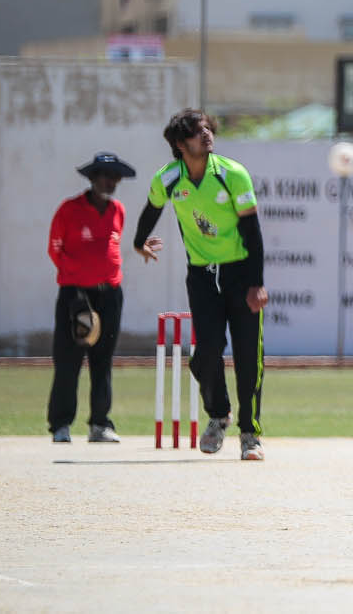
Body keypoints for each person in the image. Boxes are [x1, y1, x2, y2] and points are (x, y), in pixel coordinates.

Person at [132, 109, 269, 461]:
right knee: (205, 353)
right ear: (180, 143)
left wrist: (256, 283)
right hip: (202, 276)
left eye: (208, 128)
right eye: (196, 131)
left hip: (240, 273)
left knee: (247, 357)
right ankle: (219, 414)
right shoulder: (168, 178)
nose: (206, 134)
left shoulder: (231, 174)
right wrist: (138, 242)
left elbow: (252, 232)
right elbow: (151, 209)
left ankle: (250, 434)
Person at [46, 152, 139, 443]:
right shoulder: (69, 209)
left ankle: (100, 424)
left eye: (115, 177)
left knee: (103, 359)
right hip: (75, 294)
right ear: (92, 178)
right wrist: (74, 281)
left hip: (110, 294)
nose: (111, 182)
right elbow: (55, 249)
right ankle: (61, 425)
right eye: (105, 176)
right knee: (68, 360)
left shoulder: (118, 210)